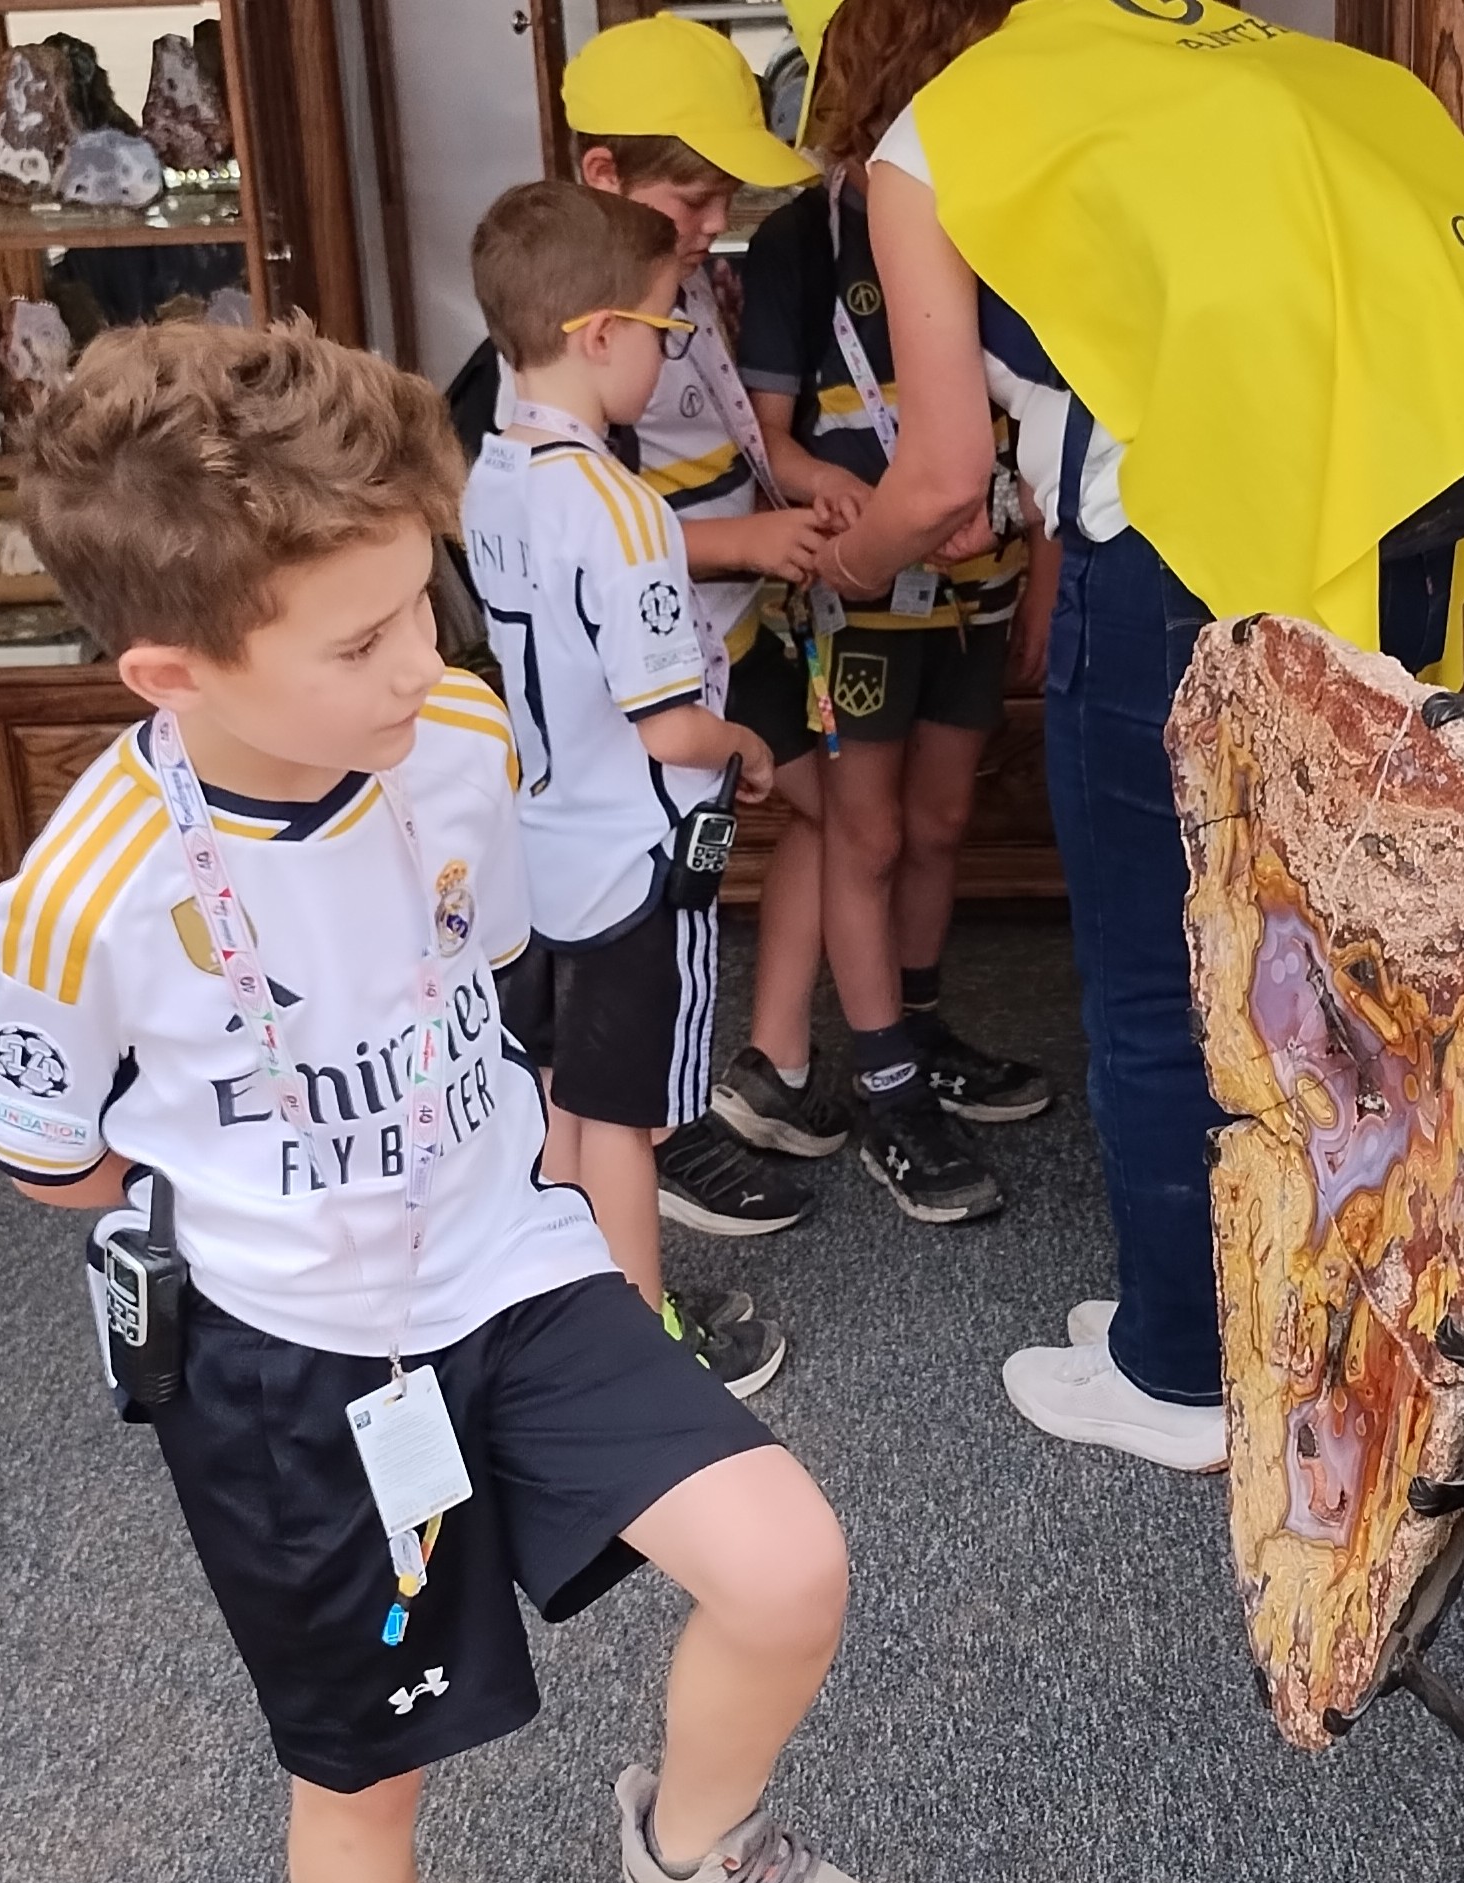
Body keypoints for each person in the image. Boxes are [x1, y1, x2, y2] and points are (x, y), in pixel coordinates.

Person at [0, 319, 921, 1883]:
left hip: (512, 1265)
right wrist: (245, 1202)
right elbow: (43, 1155)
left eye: (429, 607)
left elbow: (482, 982)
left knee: (787, 1563)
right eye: (358, 642)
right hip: (290, 1358)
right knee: (370, 1769)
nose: (423, 666)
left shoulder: (457, 741)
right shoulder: (86, 898)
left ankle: (691, 1842)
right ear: (170, 669)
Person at [806, 0, 1464, 1468]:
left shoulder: (957, 122)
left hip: (1169, 568)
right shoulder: (1278, 68)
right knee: (1336, 961)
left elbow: (938, 481)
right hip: (1372, 555)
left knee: (1159, 967)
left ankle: (1180, 1364)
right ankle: (1321, 1323)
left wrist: (847, 568)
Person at [447, 13, 860, 1225]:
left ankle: (757, 1070)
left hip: (701, 660)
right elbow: (606, 545)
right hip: (650, 722)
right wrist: (737, 546)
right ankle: (654, 1164)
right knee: (617, 1032)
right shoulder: (570, 381)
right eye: (693, 199)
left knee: (810, 826)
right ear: (605, 183)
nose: (711, 226)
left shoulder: (595, 348)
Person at [460, 183, 790, 1398]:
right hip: (635, 860)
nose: (670, 350)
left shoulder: (490, 477)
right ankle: (645, 1339)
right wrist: (748, 750)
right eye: (666, 326)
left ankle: (555, 1302)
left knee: (557, 1087)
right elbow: (666, 725)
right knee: (632, 1115)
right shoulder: (625, 509)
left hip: (539, 843)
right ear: (598, 333)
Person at [725, 130, 1057, 1226]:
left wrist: (1042, 574)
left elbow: (1050, 415)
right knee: (863, 834)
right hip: (856, 578)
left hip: (988, 573)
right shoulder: (794, 242)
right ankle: (884, 1084)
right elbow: (770, 443)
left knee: (945, 815)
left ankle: (921, 1031)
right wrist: (876, 516)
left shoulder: (1000, 214)